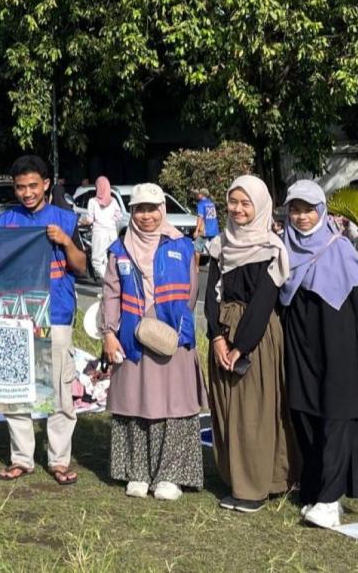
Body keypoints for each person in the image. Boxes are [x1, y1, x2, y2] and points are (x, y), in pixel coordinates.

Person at [0, 155, 88, 485]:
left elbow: (80, 266)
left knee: (61, 390)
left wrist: (65, 242)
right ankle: (21, 458)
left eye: (33, 186)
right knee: (15, 387)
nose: (27, 193)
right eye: (21, 187)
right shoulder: (5, 221)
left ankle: (59, 460)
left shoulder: (65, 219)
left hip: (57, 314)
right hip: (15, 315)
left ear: (47, 184)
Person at [280, 180, 358, 529]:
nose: (302, 217)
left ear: (321, 210)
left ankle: (330, 497)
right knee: (305, 412)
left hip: (339, 345)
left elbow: (356, 302)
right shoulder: (283, 248)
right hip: (299, 344)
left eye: (309, 209)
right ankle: (316, 489)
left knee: (337, 415)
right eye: (295, 209)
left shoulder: (340, 249)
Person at [100, 183, 206, 500]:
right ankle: (137, 472)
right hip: (132, 339)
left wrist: (169, 324)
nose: (146, 216)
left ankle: (171, 476)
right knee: (135, 402)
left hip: (172, 338)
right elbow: (110, 294)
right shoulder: (119, 250)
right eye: (139, 209)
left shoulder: (182, 246)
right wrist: (108, 333)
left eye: (152, 208)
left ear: (162, 209)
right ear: (132, 212)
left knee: (173, 406)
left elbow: (191, 294)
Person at [205, 175, 295, 513]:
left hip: (256, 337)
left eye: (246, 203)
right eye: (233, 202)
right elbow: (211, 296)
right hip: (223, 334)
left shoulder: (271, 248)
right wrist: (216, 337)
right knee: (227, 409)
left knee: (253, 413)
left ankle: (256, 488)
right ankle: (235, 479)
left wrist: (241, 345)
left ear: (260, 207)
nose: (239, 209)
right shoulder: (220, 245)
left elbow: (263, 301)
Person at [82, 176, 122, 281]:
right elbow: (119, 216)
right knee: (108, 260)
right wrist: (110, 220)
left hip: (99, 233)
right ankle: (111, 284)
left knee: (96, 261)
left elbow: (90, 219)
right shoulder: (113, 201)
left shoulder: (92, 201)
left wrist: (81, 221)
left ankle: (108, 282)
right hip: (112, 233)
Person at [194, 188, 219, 255]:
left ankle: (196, 265)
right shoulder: (211, 203)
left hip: (205, 230)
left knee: (196, 248)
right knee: (214, 248)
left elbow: (200, 218)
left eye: (199, 193)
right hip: (214, 229)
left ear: (202, 195)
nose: (198, 195)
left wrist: (196, 231)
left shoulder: (201, 204)